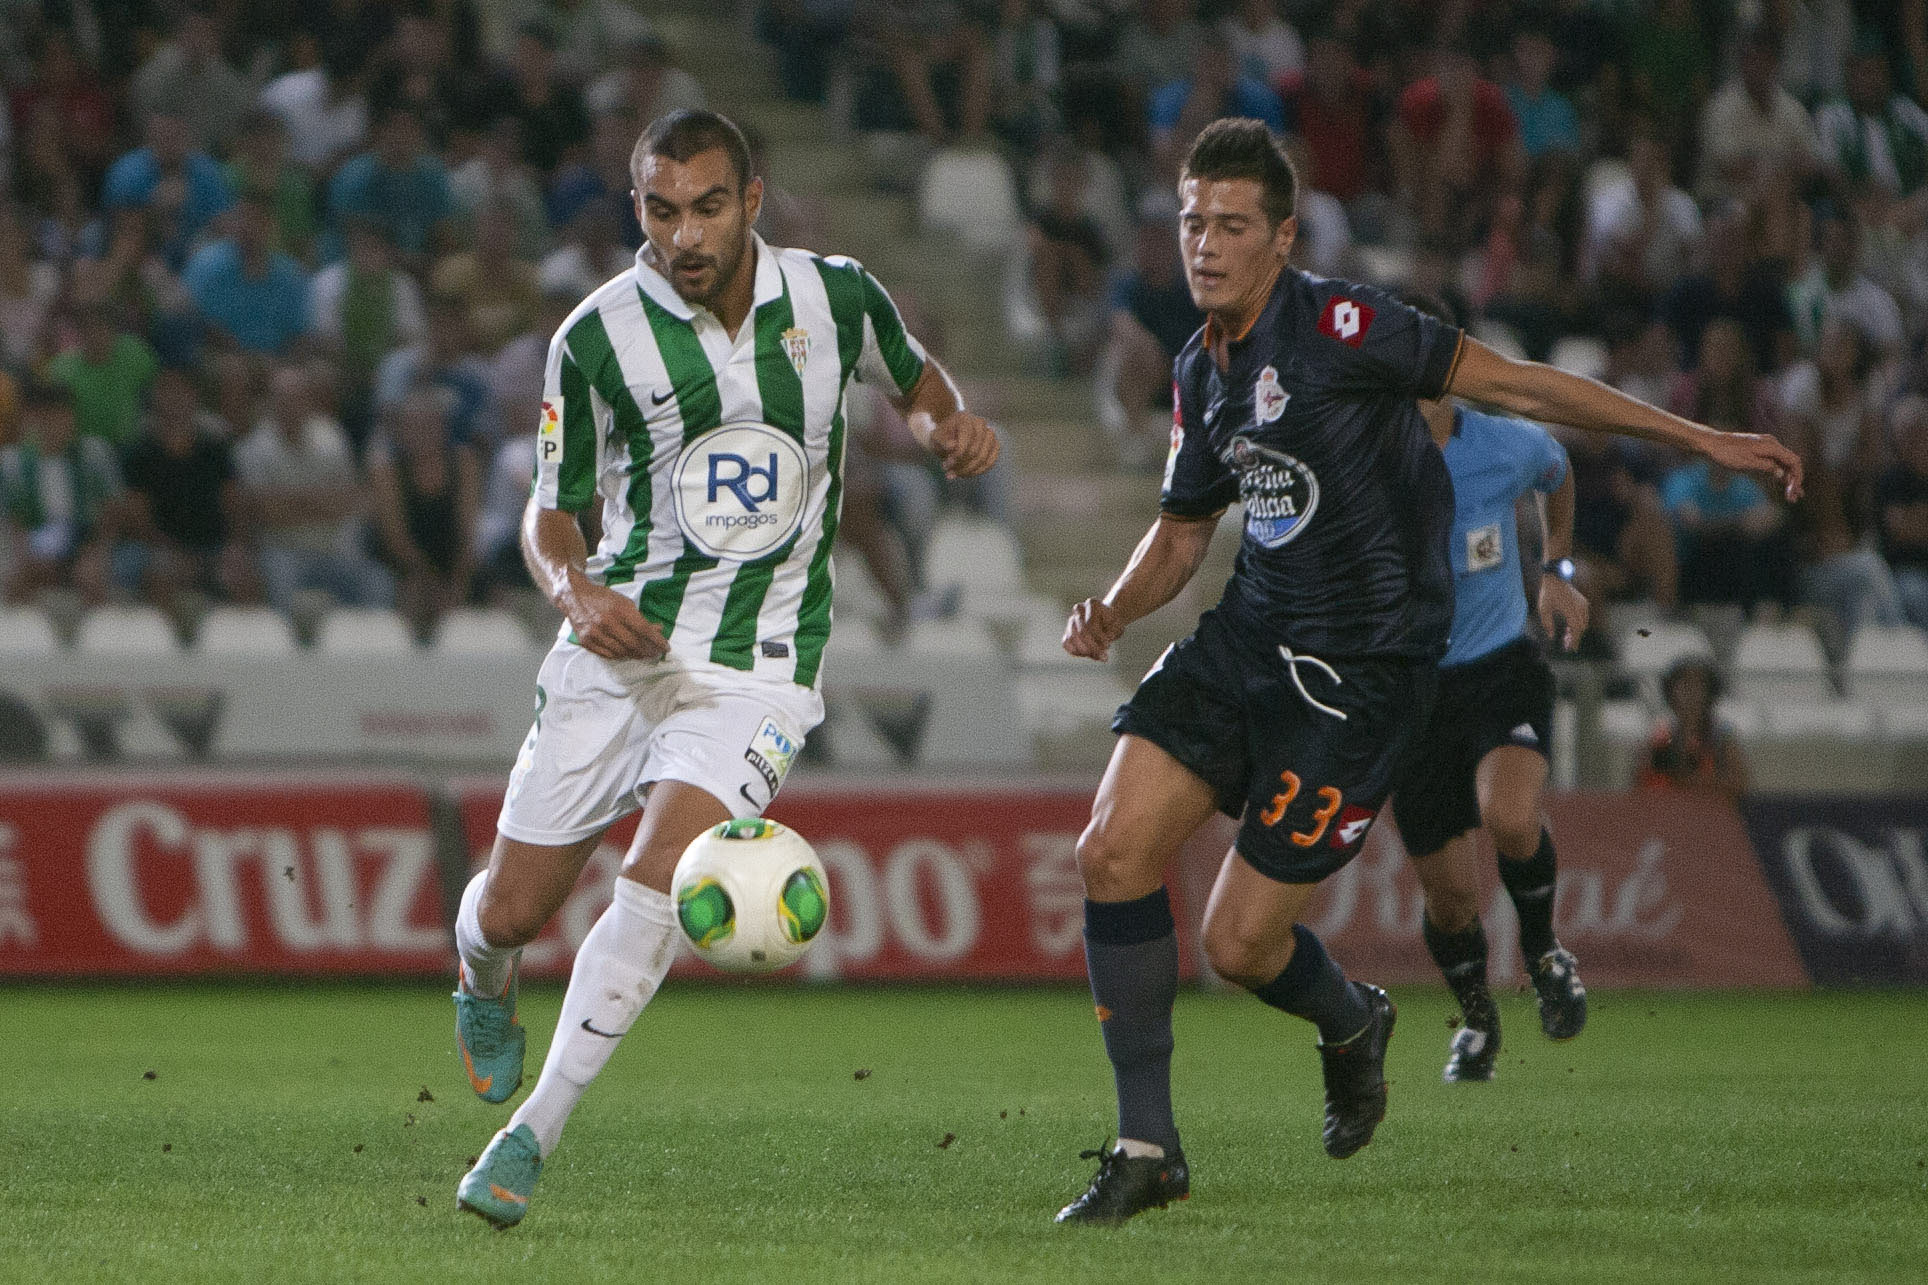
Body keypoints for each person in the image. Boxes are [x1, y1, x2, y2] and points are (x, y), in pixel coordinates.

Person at [1053, 119, 1800, 1226]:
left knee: (1237, 943)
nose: (1202, 244)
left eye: (1229, 225)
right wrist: (1112, 607)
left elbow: (1523, 387)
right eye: (1189, 221)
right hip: (1248, 635)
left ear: (1281, 236)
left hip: (1361, 677)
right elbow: (1178, 534)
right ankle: (1145, 1145)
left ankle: (1351, 1018)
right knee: (1109, 851)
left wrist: (1697, 439)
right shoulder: (1196, 370)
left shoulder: (1344, 328)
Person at [452, 109, 998, 1229]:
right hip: (620, 646)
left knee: (662, 872)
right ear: (635, 207)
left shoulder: (837, 297)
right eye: (660, 210)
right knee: (509, 910)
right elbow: (550, 513)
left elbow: (916, 379)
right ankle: (480, 981)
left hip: (759, 662)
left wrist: (949, 426)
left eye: (707, 207)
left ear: (753, 200)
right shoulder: (596, 337)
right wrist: (575, 592)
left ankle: (530, 1133)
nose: (684, 234)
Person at [1386, 292, 1588, 1085]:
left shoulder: (1503, 444)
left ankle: (1543, 953)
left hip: (1502, 668)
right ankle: (1477, 1023)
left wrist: (1558, 570)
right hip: (1412, 693)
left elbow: (1559, 470)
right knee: (1449, 901)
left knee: (1510, 815)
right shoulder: (1363, 460)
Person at [1638, 656, 1749, 798]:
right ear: (1671, 692)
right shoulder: (1659, 740)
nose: (1691, 693)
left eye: (1699, 685)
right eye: (1684, 685)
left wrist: (1694, 781)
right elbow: (1642, 788)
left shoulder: (1723, 739)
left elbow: (1739, 786)